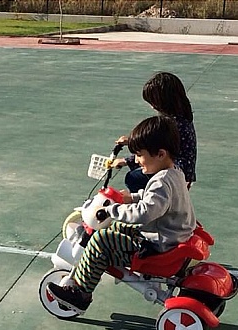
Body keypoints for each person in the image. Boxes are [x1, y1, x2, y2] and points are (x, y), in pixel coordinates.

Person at [47, 115, 197, 313]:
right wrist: (131, 197)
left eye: (140, 155)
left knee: (101, 240)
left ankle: (81, 294)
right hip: (170, 235)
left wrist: (111, 210)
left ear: (160, 154)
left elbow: (144, 213)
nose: (137, 160)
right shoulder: (174, 172)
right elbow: (158, 200)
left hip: (159, 245)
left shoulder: (160, 181)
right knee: (118, 226)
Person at [114, 72, 197, 192]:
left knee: (133, 178)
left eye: (154, 102)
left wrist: (126, 161)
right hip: (185, 172)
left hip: (176, 172)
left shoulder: (171, 125)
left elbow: (153, 151)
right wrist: (131, 141)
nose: (152, 106)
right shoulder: (182, 116)